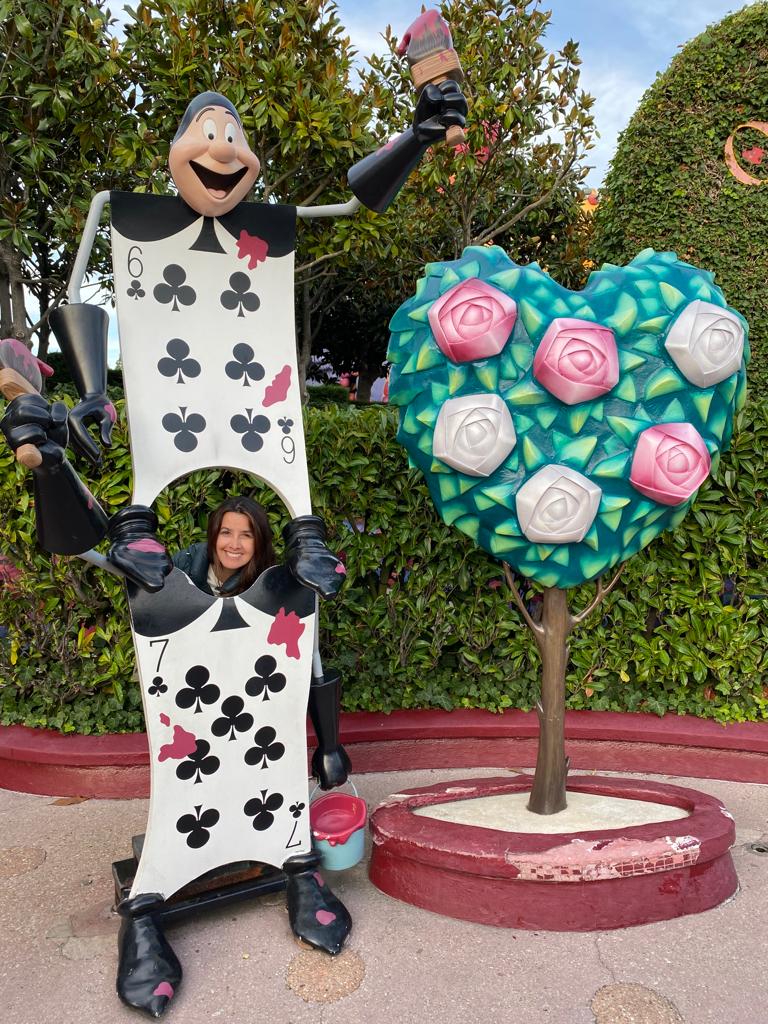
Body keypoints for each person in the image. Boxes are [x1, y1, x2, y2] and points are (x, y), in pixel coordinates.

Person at [172, 495, 275, 597]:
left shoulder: (270, 583)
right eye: (226, 533)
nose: (234, 545)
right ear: (214, 534)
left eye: (246, 535)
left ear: (260, 541)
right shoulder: (183, 564)